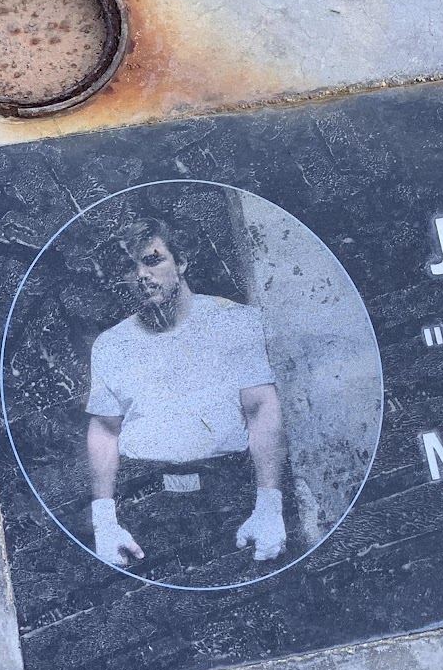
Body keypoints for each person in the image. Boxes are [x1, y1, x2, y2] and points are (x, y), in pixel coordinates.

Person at [84, 216, 290, 573]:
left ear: (180, 263)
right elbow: (105, 429)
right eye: (131, 269)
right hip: (145, 505)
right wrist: (104, 520)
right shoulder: (110, 345)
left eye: (152, 260)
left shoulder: (234, 321)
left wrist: (269, 506)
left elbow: (261, 409)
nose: (142, 276)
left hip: (229, 495)